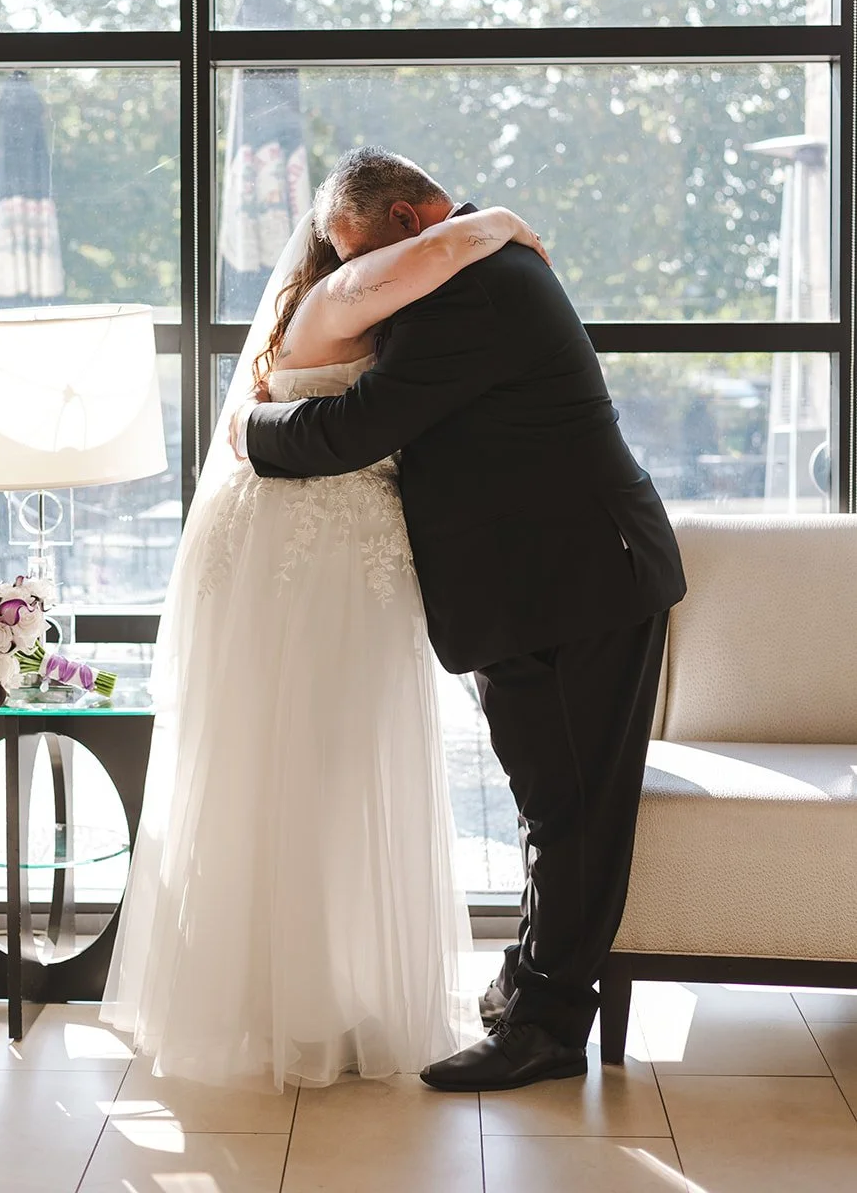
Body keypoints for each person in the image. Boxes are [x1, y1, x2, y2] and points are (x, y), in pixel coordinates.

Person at [242, 146, 687, 1094]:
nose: (365, 284)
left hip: (581, 583)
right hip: (532, 584)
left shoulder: (474, 291)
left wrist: (243, 431)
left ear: (408, 223)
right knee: (548, 801)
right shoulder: (464, 267)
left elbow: (356, 429)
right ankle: (529, 986)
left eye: (364, 260)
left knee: (573, 813)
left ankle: (548, 1030)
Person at [101, 194, 549, 1090]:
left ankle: (323, 993)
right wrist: (498, 219)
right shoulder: (340, 298)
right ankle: (296, 1009)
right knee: (311, 773)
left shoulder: (350, 306)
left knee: (326, 773)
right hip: (315, 562)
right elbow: (444, 247)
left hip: (335, 556)